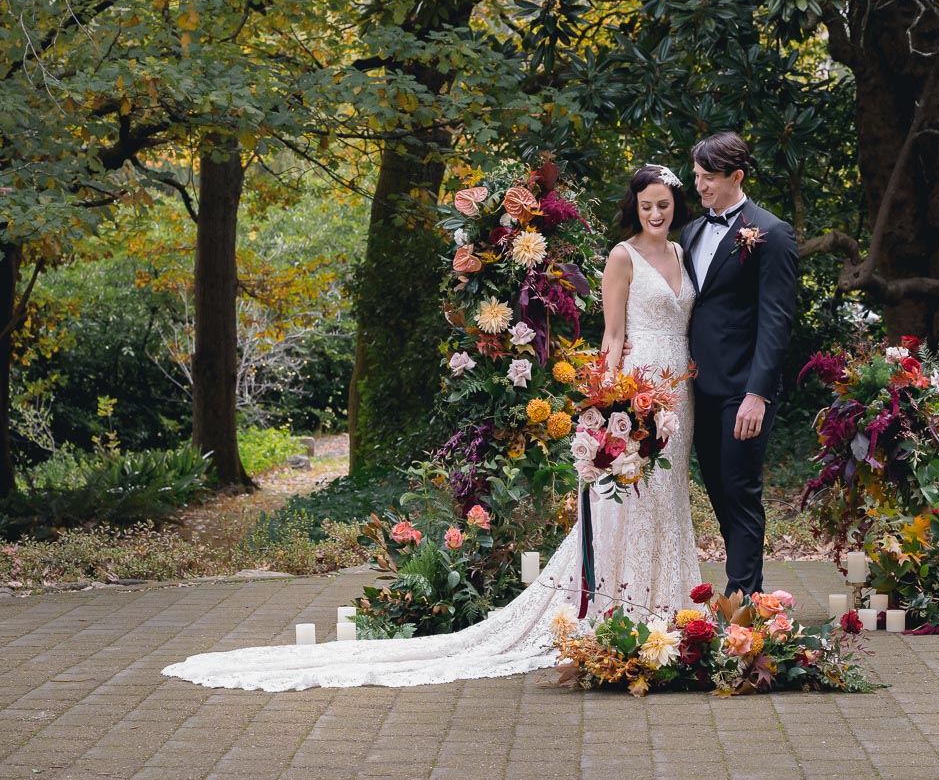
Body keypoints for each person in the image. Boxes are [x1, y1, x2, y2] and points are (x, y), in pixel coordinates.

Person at [161, 165, 701, 691]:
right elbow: (610, 335)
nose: (655, 213)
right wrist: (602, 403)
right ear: (634, 207)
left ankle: (667, 607)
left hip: (681, 389)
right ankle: (618, 606)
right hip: (634, 386)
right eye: (647, 204)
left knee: (668, 492)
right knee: (628, 495)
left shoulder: (681, 252)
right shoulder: (621, 257)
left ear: (675, 206)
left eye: (664, 204)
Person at [680, 132, 799, 597]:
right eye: (696, 176)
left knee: (740, 491)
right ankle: (748, 589)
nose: (701, 186)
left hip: (743, 390)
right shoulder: (689, 232)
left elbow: (776, 321)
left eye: (709, 178)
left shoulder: (771, 233)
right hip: (697, 389)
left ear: (737, 177)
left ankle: (744, 600)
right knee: (717, 491)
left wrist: (758, 394)